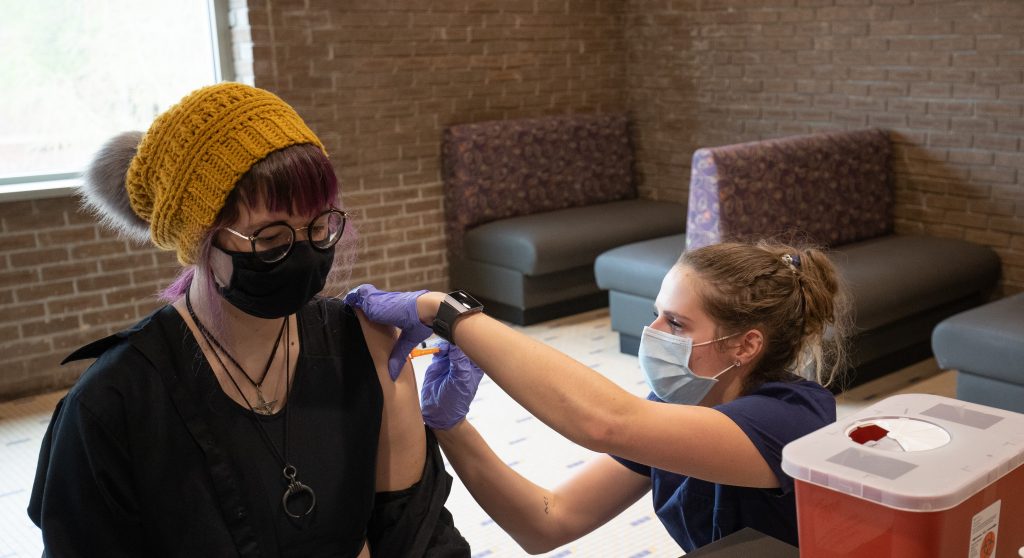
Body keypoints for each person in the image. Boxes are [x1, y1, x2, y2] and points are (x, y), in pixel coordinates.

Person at [28, 83, 469, 557]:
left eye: (319, 227)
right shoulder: (112, 407)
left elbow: (418, 536)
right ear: (202, 239)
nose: (303, 252)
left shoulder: (362, 346)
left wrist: (461, 321)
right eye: (269, 237)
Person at [347, 240, 853, 553]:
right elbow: (549, 522)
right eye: (657, 312)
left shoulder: (790, 420)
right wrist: (450, 426)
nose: (651, 331)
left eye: (675, 322)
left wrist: (447, 312)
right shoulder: (678, 413)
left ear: (745, 345)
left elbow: (604, 422)